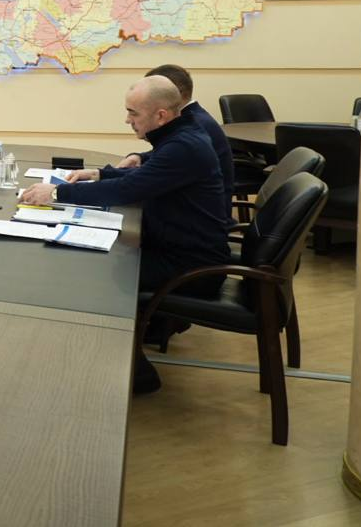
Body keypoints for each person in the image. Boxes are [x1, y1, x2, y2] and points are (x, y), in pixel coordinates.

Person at [18, 75, 230, 394]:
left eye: (133, 113)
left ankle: (136, 371)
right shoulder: (182, 135)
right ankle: (131, 342)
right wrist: (99, 173)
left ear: (161, 115)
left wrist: (57, 193)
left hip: (191, 267)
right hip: (180, 250)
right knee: (102, 258)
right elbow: (145, 173)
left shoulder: (184, 146)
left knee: (97, 274)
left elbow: (130, 188)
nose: (127, 120)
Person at [115, 64, 235, 220]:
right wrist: (141, 157)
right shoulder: (192, 119)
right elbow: (168, 153)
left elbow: (173, 156)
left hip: (197, 219)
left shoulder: (196, 124)